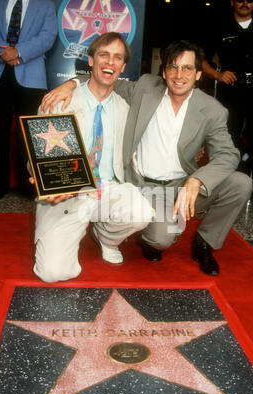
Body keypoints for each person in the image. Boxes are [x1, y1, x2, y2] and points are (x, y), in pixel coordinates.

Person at [41, 39, 252, 277]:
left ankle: (205, 240)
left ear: (198, 74)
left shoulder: (213, 110)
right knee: (159, 240)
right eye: (173, 67)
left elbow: (228, 154)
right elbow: (103, 80)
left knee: (240, 183)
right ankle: (147, 235)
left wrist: (197, 180)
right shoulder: (145, 88)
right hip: (143, 187)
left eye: (187, 68)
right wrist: (70, 83)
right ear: (163, 71)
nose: (179, 74)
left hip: (182, 186)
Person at [32, 32, 154, 283]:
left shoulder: (126, 109)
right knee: (52, 273)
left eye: (117, 58)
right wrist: (42, 178)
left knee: (141, 212)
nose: (110, 62)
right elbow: (40, 159)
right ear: (90, 60)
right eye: (104, 55)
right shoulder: (58, 102)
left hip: (107, 188)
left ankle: (105, 237)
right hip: (70, 192)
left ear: (122, 66)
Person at [201, 0, 253, 218]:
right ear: (232, 2)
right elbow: (203, 61)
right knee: (225, 145)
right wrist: (218, 74)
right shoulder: (220, 27)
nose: (245, 2)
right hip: (231, 92)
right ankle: (219, 197)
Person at [0, 0, 57, 199]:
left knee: (29, 136)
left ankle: (28, 187)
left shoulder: (46, 4)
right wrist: (3, 54)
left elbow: (48, 36)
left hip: (31, 76)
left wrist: (19, 52)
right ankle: (0, 185)